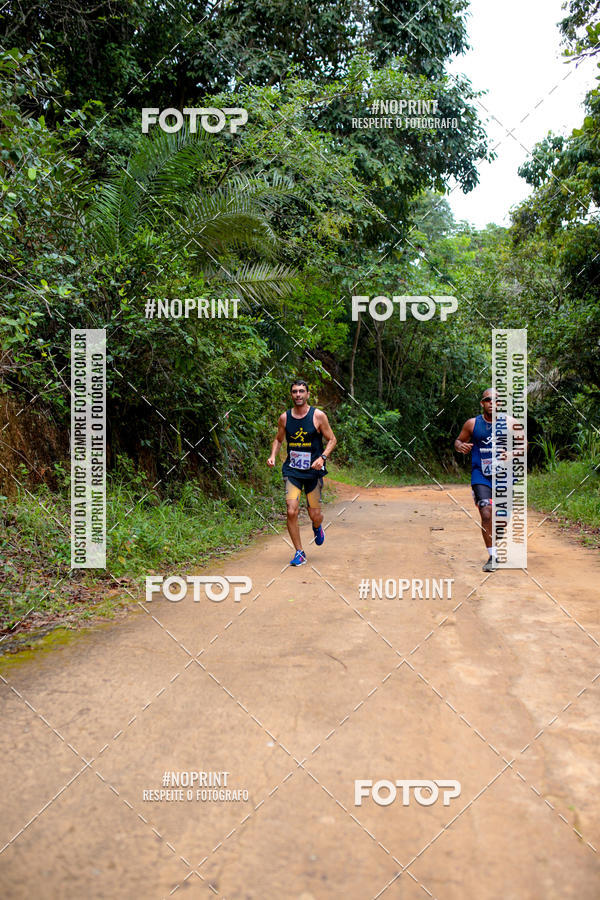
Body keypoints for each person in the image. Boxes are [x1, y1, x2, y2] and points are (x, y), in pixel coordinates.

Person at [267, 380, 337, 566]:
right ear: (291, 395)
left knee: (315, 514)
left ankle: (317, 526)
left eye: (301, 391)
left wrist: (322, 457)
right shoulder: (285, 418)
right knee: (291, 511)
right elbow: (278, 439)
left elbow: (332, 440)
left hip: (313, 472)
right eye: (294, 392)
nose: (298, 395)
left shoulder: (318, 416)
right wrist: (273, 455)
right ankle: (299, 552)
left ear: (307, 394)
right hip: (293, 471)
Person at [454, 388, 510, 572]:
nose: (492, 403)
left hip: (504, 476)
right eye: (488, 400)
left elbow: (524, 444)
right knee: (486, 512)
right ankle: (493, 556)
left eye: (496, 400)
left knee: (502, 520)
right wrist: (461, 446)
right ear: (482, 403)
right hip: (481, 475)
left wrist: (511, 453)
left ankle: (497, 532)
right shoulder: (472, 424)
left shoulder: (509, 423)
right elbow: (458, 441)